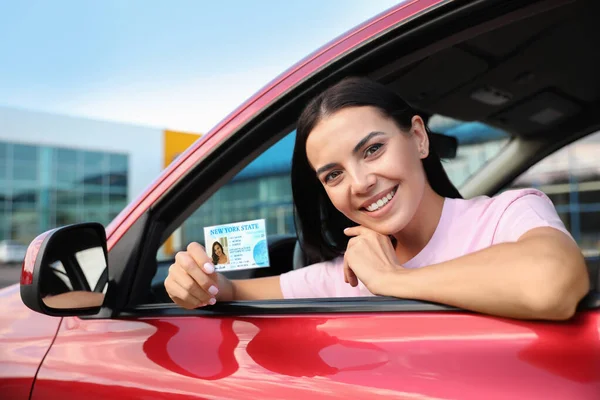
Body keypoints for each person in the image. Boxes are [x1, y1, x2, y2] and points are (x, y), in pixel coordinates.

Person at [164, 77, 589, 319]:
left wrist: (392, 281)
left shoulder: (509, 214)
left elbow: (552, 281)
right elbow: (235, 289)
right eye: (333, 175)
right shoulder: (345, 274)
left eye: (372, 150)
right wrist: (203, 283)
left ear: (418, 138)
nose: (361, 182)